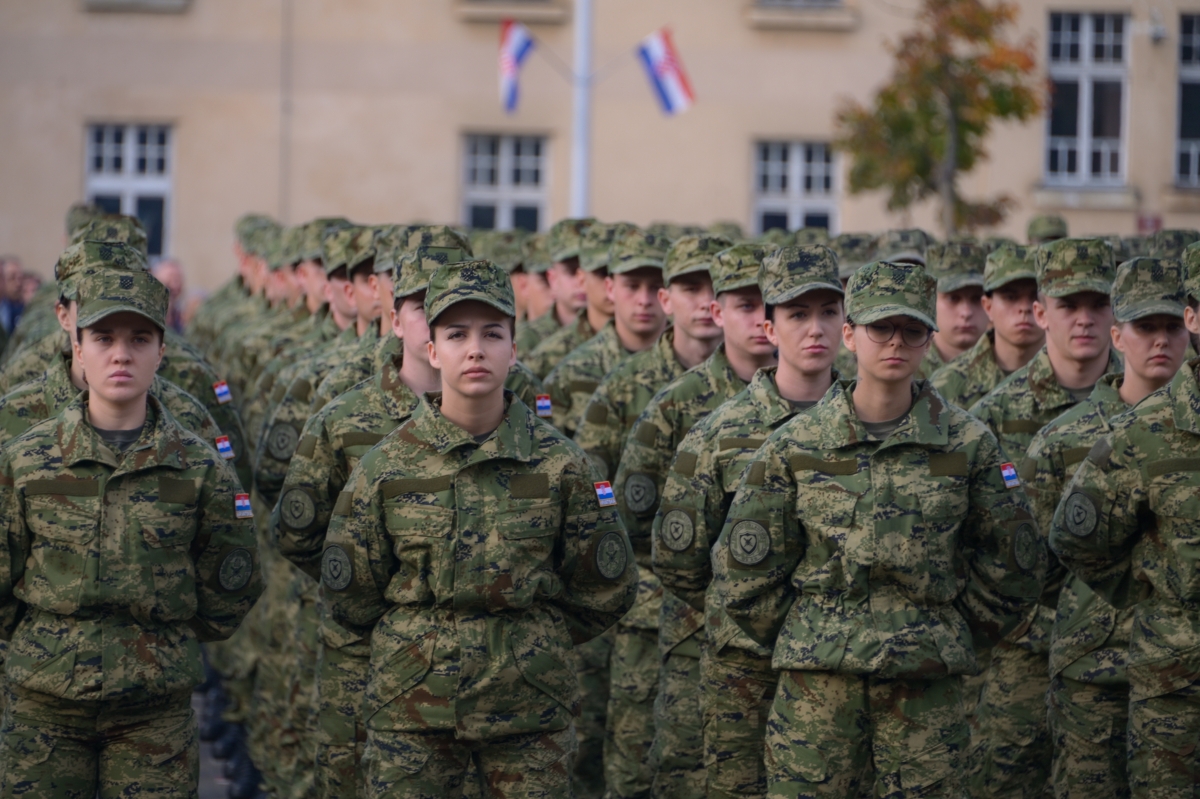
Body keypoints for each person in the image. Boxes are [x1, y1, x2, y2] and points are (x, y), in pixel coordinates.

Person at [715, 260, 1045, 797]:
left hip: (927, 692)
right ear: (850, 335)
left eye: (912, 330)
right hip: (818, 692)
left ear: (928, 340)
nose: (896, 342)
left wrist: (945, 631)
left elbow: (1013, 566)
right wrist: (812, 636)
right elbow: (746, 571)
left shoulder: (968, 443)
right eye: (880, 328)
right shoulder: (797, 444)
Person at [323, 258, 637, 797]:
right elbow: (352, 592)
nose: (475, 349)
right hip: (414, 710)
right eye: (456, 334)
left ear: (514, 350)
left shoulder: (563, 466)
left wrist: (529, 638)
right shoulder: (384, 467)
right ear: (431, 350)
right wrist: (422, 641)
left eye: (493, 334)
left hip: (529, 711)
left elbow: (604, 587)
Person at [0, 263, 262, 796]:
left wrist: (162, 645)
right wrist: (44, 644)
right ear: (76, 347)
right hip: (43, 709)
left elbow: (229, 583)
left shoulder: (199, 465)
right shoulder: (26, 460)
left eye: (140, 338)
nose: (121, 354)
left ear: (162, 351)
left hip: (154, 713)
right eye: (103, 338)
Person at [651, 244, 844, 799]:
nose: (815, 329)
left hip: (842, 666)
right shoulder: (717, 434)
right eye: (797, 315)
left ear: (847, 325)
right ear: (769, 326)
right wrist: (741, 615)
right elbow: (678, 560)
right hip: (744, 669)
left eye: (828, 313)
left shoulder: (872, 428)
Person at [606, 242, 777, 799]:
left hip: (798, 633)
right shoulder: (679, 404)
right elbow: (634, 516)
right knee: (685, 765)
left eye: (768, 306)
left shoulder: (830, 404)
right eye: (744, 305)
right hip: (695, 622)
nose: (759, 320)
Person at [1022, 257, 1191, 798]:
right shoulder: (1060, 438)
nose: (1160, 341)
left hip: (1178, 663)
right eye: (1145, 327)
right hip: (1093, 657)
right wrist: (1127, 594)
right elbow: (1041, 558)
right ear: (1119, 336)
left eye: (1170, 326)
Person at [967, 237, 1121, 798]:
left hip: (1125, 650)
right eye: (1067, 306)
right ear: (1040, 313)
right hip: (1022, 651)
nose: (1084, 320)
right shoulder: (991, 417)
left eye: (1097, 305)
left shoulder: (1151, 409)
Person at [543, 225, 670, 436]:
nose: (644, 301)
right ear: (611, 288)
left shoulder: (694, 367)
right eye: (632, 286)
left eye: (656, 287)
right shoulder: (566, 373)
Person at [931, 243, 1045, 410]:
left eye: (1035, 296)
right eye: (1011, 297)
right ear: (988, 307)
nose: (1025, 308)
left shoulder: (1077, 376)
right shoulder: (945, 387)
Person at [523, 218, 599, 378]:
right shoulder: (526, 340)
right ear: (553, 278)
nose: (580, 281)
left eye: (588, 270)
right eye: (572, 272)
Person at [925, 239, 990, 367]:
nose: (966, 313)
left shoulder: (1013, 367)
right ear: (930, 301)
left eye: (976, 298)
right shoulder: (908, 372)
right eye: (953, 299)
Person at [151, 257, 186, 333]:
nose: (175, 285)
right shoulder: (150, 313)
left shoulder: (180, 316)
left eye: (178, 279)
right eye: (170, 278)